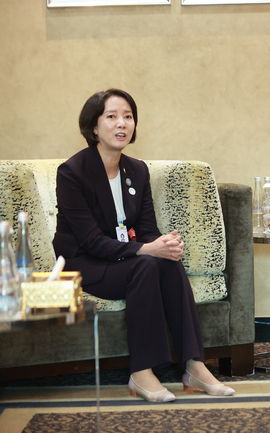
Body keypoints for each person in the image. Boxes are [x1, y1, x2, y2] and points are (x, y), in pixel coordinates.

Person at [53, 89, 235, 402]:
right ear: (94, 126)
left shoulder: (136, 170)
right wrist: (146, 250)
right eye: (111, 117)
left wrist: (165, 244)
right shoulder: (72, 173)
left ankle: (194, 365)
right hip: (84, 263)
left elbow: (147, 229)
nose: (121, 123)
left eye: (128, 116)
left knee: (166, 262)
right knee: (146, 265)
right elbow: (91, 241)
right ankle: (141, 371)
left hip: (124, 260)